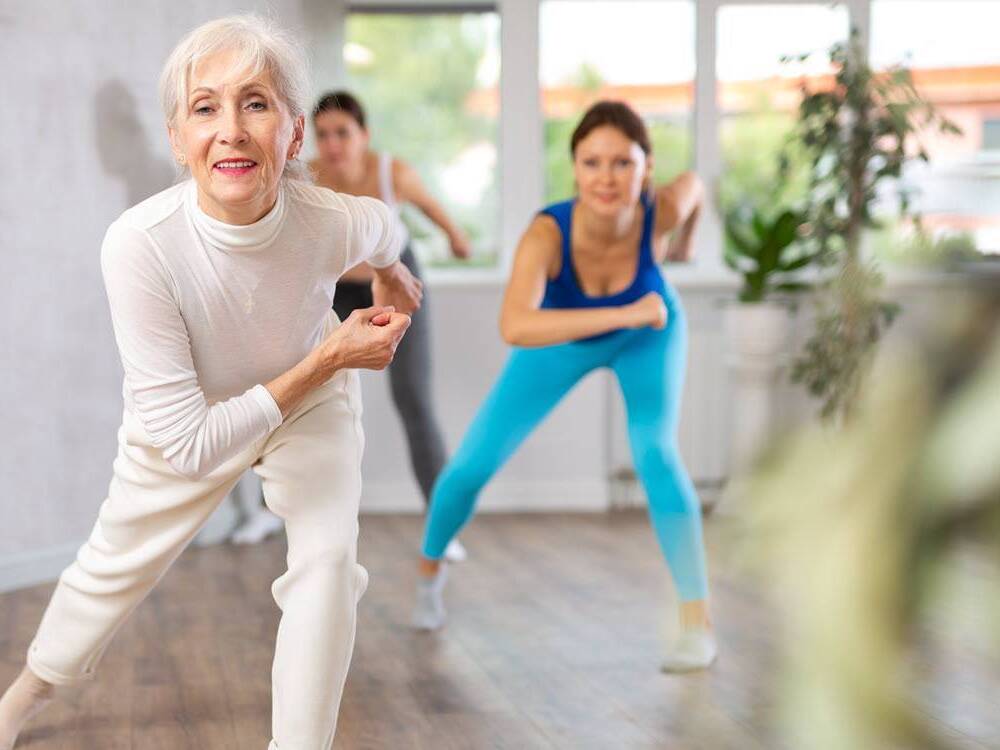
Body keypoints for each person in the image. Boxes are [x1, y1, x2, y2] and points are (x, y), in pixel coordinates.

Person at [0, 15, 422, 750]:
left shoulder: (327, 218)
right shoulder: (141, 246)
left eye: (255, 103)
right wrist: (328, 358)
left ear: (293, 135)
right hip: (196, 416)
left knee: (328, 563)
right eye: (206, 107)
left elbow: (385, 227)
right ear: (177, 138)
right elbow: (192, 447)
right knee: (108, 572)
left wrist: (390, 273)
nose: (231, 128)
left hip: (309, 404)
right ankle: (27, 693)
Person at [411, 100, 716, 673]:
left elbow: (696, 184)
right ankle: (429, 575)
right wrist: (624, 315)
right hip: (572, 334)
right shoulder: (546, 234)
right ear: (574, 168)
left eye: (622, 164)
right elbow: (516, 325)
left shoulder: (662, 207)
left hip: (649, 335)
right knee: (472, 466)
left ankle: (697, 625)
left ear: (645, 168)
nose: (606, 177)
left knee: (656, 454)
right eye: (592, 162)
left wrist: (686, 244)